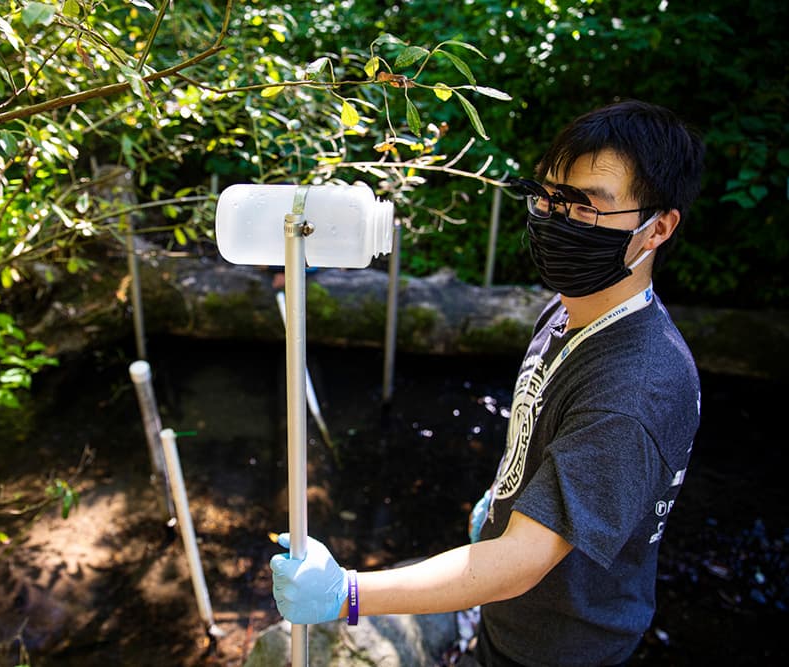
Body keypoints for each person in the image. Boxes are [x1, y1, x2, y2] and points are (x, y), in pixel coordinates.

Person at [268, 100, 705, 666]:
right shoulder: (571, 310)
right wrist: (502, 497)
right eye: (548, 196)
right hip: (510, 620)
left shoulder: (635, 387)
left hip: (559, 648)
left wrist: (349, 594)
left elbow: (522, 560)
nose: (555, 218)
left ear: (658, 228)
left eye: (586, 206)